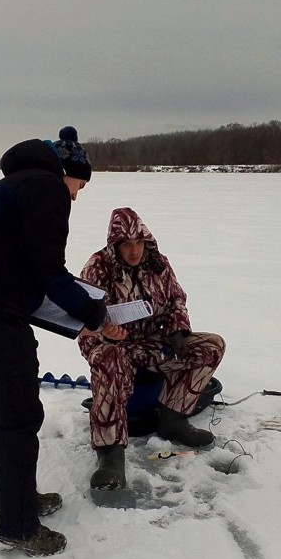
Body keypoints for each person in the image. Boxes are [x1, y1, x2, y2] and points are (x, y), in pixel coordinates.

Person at [0, 127, 123, 556]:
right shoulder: (45, 187)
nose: (76, 198)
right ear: (69, 174)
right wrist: (96, 314)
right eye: (79, 187)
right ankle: (16, 526)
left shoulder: (18, 186)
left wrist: (77, 320)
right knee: (18, 417)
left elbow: (24, 276)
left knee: (12, 413)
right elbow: (50, 272)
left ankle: (20, 504)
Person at [77, 207, 226, 490]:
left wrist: (178, 331)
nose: (134, 251)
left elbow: (176, 301)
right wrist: (107, 334)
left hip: (152, 344)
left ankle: (173, 418)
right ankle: (110, 454)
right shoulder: (97, 267)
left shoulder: (159, 264)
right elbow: (82, 320)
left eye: (139, 243)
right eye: (126, 245)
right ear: (115, 245)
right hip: (112, 346)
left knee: (211, 345)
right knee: (109, 358)